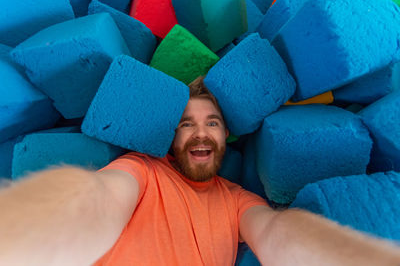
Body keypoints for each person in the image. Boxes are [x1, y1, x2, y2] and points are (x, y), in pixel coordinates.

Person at [0, 77, 400, 266]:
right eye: (186, 124)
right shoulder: (142, 170)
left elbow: (278, 234)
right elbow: (96, 199)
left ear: (226, 135)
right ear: (171, 140)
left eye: (211, 122)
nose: (199, 132)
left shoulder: (239, 201)